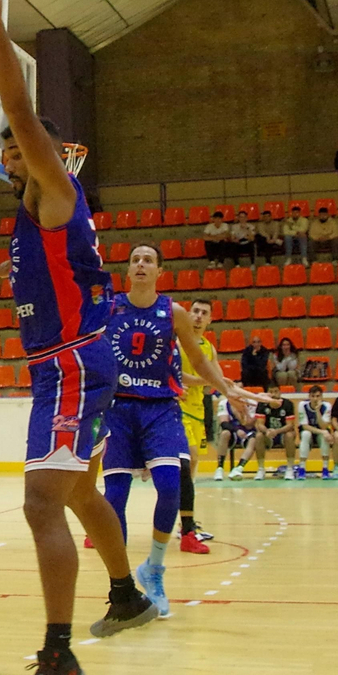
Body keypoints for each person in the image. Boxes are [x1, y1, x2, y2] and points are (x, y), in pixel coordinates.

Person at [0, 0, 157, 675]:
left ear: (46, 150)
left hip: (71, 364)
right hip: (71, 361)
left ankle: (60, 656)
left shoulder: (55, 190)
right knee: (77, 495)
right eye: (5, 152)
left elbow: (16, 103)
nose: (14, 156)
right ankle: (127, 595)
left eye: (24, 147)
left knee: (40, 502)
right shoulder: (34, 207)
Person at [103, 245, 250, 620]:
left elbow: (198, 358)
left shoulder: (174, 313)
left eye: (148, 260)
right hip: (118, 410)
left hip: (160, 408)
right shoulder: (110, 306)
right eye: (135, 259)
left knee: (170, 487)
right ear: (128, 269)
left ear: (159, 271)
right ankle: (120, 582)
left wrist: (226, 388)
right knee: (114, 498)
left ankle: (153, 569)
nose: (140, 264)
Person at [176, 299, 224, 553]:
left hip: (198, 410)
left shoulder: (209, 348)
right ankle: (185, 524)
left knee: (192, 467)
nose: (197, 316)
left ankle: (185, 518)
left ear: (209, 320)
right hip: (178, 408)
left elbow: (215, 379)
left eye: (203, 313)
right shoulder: (177, 340)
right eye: (194, 311)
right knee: (188, 459)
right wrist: (200, 379)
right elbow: (173, 372)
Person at [253, 383, 299, 481]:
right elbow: (259, 424)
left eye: (276, 391)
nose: (273, 394)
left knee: (290, 435)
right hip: (268, 435)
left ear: (280, 392)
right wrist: (267, 431)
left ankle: (290, 468)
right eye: (271, 392)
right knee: (259, 436)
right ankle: (261, 469)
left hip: (282, 433)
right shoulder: (262, 404)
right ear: (267, 393)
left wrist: (277, 431)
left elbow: (290, 425)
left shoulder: (288, 404)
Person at [296, 384, 333, 480]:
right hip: (309, 432)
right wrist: (322, 432)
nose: (315, 399)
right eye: (313, 396)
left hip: (320, 432)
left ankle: (325, 469)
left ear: (322, 397)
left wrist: (317, 411)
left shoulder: (327, 406)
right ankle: (302, 469)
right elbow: (305, 426)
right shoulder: (302, 405)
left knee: (325, 437)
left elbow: (324, 426)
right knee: (305, 434)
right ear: (309, 397)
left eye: (318, 396)